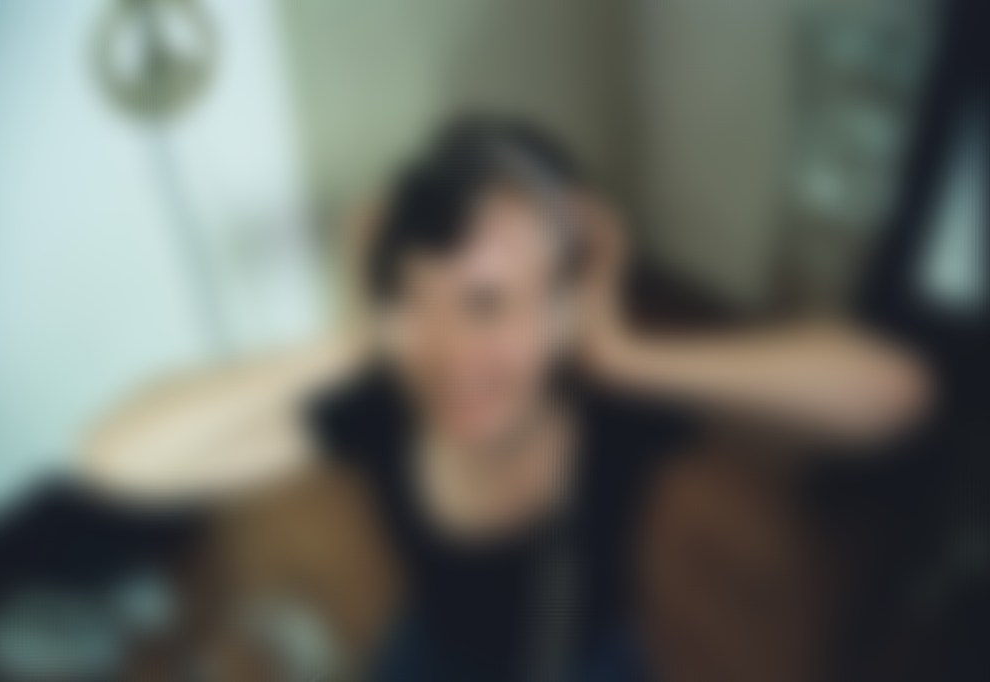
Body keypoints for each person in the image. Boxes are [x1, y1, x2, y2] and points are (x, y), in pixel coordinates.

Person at [79, 119, 930, 680]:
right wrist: (354, 337)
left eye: (490, 305)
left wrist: (625, 351)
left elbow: (893, 394)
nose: (455, 353)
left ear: (566, 301)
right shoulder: (386, 399)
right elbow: (118, 458)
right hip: (431, 654)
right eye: (422, 299)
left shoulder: (614, 405)